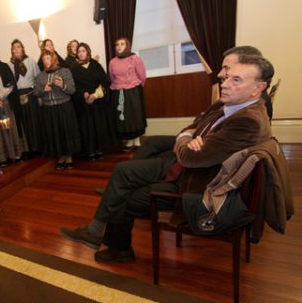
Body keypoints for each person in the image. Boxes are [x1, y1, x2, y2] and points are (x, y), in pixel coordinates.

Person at [61, 53, 274, 263]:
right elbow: (193, 128)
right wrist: (189, 136)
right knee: (122, 172)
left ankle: (117, 247)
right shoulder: (230, 105)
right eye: (227, 76)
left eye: (235, 79)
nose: (225, 82)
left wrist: (187, 138)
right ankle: (96, 231)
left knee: (123, 197)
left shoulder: (248, 121)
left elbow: (191, 157)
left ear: (258, 88)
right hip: (184, 168)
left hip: (194, 185)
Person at [34, 50, 80, 170]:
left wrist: (62, 85)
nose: (46, 61)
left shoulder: (65, 71)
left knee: (66, 132)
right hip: (49, 109)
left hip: (64, 107)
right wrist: (44, 89)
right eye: (44, 59)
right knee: (55, 133)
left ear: (54, 58)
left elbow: (72, 90)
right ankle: (60, 156)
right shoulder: (40, 76)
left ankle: (69, 156)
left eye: (48, 58)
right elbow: (36, 92)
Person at [70, 42, 117, 160]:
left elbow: (104, 82)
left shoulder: (95, 64)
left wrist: (95, 95)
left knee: (98, 125)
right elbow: (74, 86)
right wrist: (83, 94)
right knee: (87, 127)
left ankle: (99, 149)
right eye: (79, 51)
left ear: (88, 52)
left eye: (83, 51)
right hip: (84, 104)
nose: (81, 54)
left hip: (98, 102)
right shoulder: (73, 68)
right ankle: (90, 151)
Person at [108, 37, 147, 151]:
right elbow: (111, 77)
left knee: (135, 116)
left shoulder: (134, 58)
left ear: (127, 46)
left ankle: (137, 140)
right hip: (118, 92)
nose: (119, 46)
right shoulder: (112, 62)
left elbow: (142, 75)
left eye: (122, 44)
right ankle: (130, 141)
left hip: (133, 91)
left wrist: (136, 87)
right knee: (124, 118)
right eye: (117, 44)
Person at [8, 39, 42, 155]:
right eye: (14, 47)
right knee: (22, 124)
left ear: (22, 48)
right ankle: (28, 150)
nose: (16, 49)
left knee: (34, 121)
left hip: (31, 95)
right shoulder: (9, 66)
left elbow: (39, 79)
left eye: (18, 46)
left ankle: (38, 147)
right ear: (12, 51)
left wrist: (39, 95)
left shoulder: (31, 61)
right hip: (17, 97)